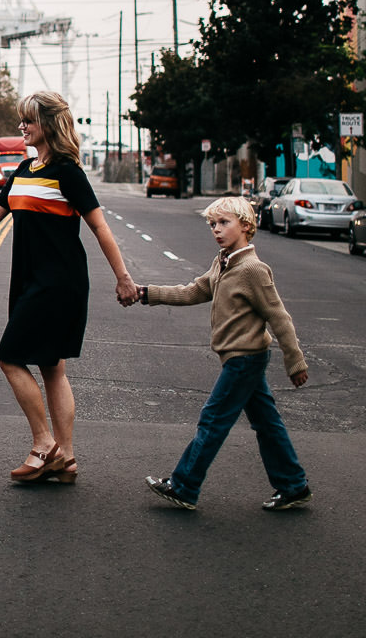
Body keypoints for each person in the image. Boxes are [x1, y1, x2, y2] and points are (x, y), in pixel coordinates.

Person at [0, 92, 140, 484]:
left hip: (59, 282)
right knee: (51, 366)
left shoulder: (67, 172)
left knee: (10, 358)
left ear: (47, 124)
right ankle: (68, 459)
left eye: (27, 121)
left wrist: (123, 277)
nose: (21, 127)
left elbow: (100, 227)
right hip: (28, 280)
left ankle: (45, 446)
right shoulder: (26, 169)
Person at [131, 196, 313, 512]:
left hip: (245, 359)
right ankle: (293, 485)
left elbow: (278, 316)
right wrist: (147, 294)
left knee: (213, 419)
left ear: (246, 225)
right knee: (267, 424)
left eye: (224, 223)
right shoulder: (223, 262)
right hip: (240, 358)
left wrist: (294, 360)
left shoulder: (253, 269)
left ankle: (184, 486)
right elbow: (193, 291)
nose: (216, 230)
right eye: (213, 224)